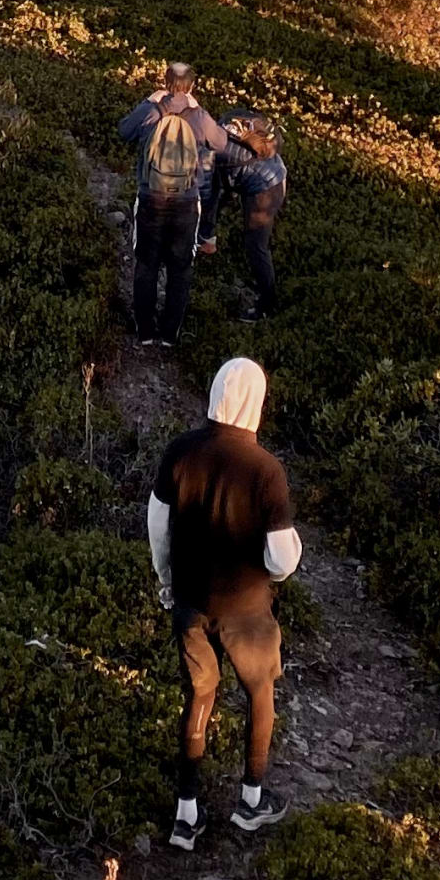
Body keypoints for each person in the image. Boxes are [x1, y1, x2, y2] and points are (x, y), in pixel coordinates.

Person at [150, 354, 300, 849]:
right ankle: (250, 802)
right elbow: (280, 557)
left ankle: (185, 815)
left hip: (192, 602)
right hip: (247, 610)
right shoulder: (266, 471)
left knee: (200, 693)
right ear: (256, 401)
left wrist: (166, 578)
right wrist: (276, 570)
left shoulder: (179, 452)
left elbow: (157, 524)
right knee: (260, 692)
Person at [118, 64, 227, 346]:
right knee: (180, 269)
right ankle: (169, 335)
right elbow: (222, 141)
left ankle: (144, 332)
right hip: (187, 202)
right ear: (191, 86)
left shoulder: (152, 110)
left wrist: (151, 102)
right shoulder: (199, 116)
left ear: (165, 82)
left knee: (146, 264)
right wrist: (197, 110)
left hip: (151, 198)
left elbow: (124, 130)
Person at [226, 116, 288, 319]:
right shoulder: (265, 141)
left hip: (264, 192)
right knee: (259, 243)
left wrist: (206, 235)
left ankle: (266, 306)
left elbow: (211, 187)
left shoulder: (222, 148)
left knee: (257, 246)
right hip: (278, 177)